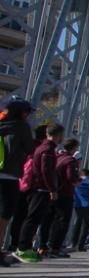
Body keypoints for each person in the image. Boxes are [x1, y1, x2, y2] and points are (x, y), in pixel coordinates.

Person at [14, 123, 64, 263]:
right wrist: (53, 190)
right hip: (41, 189)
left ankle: (25, 247)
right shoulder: (48, 150)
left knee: (32, 218)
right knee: (33, 219)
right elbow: (46, 171)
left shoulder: (43, 148)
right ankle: (23, 248)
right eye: (61, 135)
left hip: (36, 187)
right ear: (58, 135)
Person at [0, 98, 34, 265]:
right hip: (9, 176)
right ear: (22, 112)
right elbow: (29, 149)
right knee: (4, 216)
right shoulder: (21, 127)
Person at [48, 138, 80, 257]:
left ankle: (45, 245)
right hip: (65, 193)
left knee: (50, 220)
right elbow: (72, 178)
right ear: (73, 148)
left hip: (53, 191)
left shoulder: (57, 157)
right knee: (62, 221)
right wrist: (78, 181)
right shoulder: (70, 160)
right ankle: (56, 247)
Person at [69, 167, 89, 253]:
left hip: (78, 205)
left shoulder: (77, 182)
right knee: (85, 226)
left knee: (78, 223)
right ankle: (80, 245)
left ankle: (73, 243)